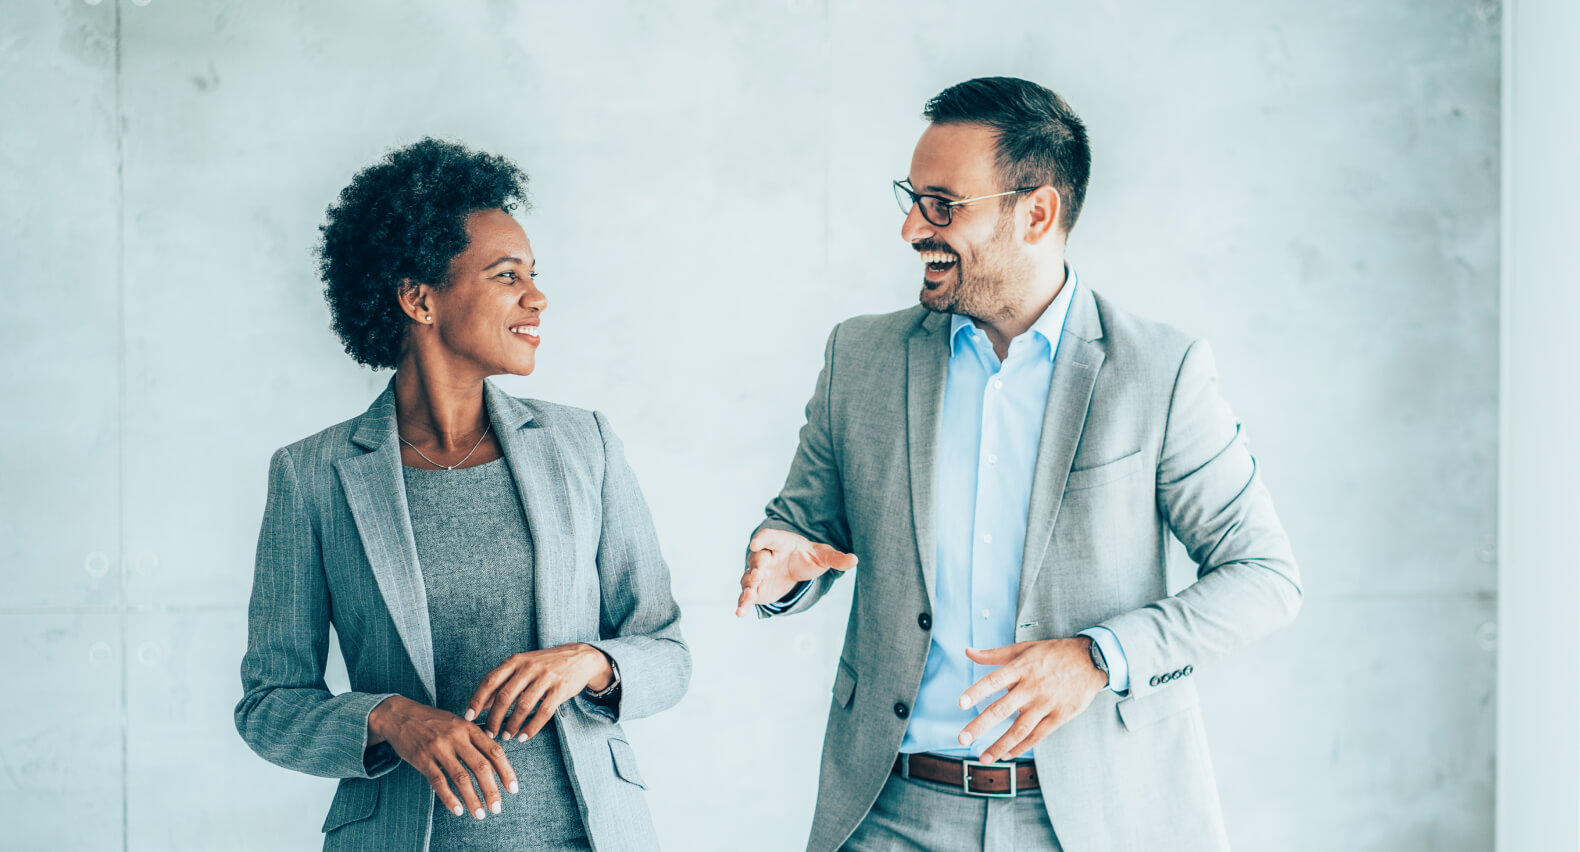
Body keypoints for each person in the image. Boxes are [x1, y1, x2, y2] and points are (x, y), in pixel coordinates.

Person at [736, 77, 1301, 851]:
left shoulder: (1159, 373)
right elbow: (804, 529)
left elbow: (1265, 577)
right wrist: (781, 565)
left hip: (1094, 819)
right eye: (911, 197)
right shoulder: (861, 357)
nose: (910, 227)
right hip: (890, 811)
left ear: (1036, 213)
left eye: (942, 204)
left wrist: (1099, 659)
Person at [235, 138, 689, 851]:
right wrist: (387, 718)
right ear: (420, 298)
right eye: (507, 275)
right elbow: (270, 705)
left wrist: (589, 663)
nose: (536, 297)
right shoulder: (312, 476)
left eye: (534, 274)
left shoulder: (585, 446)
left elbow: (666, 650)